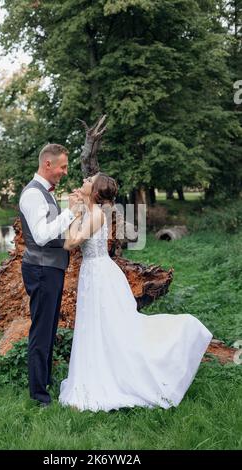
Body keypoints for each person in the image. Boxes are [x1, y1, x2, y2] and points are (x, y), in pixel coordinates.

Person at [59, 172, 213, 412]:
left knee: (110, 328)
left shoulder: (98, 214)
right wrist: (77, 211)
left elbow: (70, 243)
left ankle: (134, 372)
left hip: (99, 275)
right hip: (92, 274)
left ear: (96, 191)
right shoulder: (91, 212)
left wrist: (73, 211)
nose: (84, 181)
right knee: (96, 327)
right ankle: (95, 374)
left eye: (89, 180)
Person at [19, 143, 83, 408]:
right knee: (42, 331)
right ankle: (39, 396)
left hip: (50, 269)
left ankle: (43, 383)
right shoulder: (33, 195)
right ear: (48, 164)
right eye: (63, 166)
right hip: (42, 269)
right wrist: (71, 211)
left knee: (49, 329)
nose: (65, 172)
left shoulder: (45, 193)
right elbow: (43, 235)